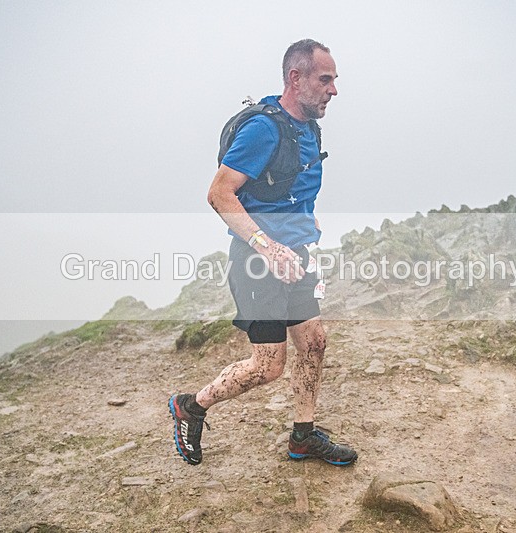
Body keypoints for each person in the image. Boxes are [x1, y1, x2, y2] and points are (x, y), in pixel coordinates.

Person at [169, 39, 357, 467]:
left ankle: (303, 437)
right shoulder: (263, 130)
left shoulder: (308, 126)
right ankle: (191, 406)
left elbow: (290, 191)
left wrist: (306, 230)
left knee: (313, 342)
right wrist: (267, 246)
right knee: (268, 366)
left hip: (297, 256)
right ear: (296, 78)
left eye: (334, 80)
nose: (333, 90)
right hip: (258, 263)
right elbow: (219, 193)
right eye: (325, 80)